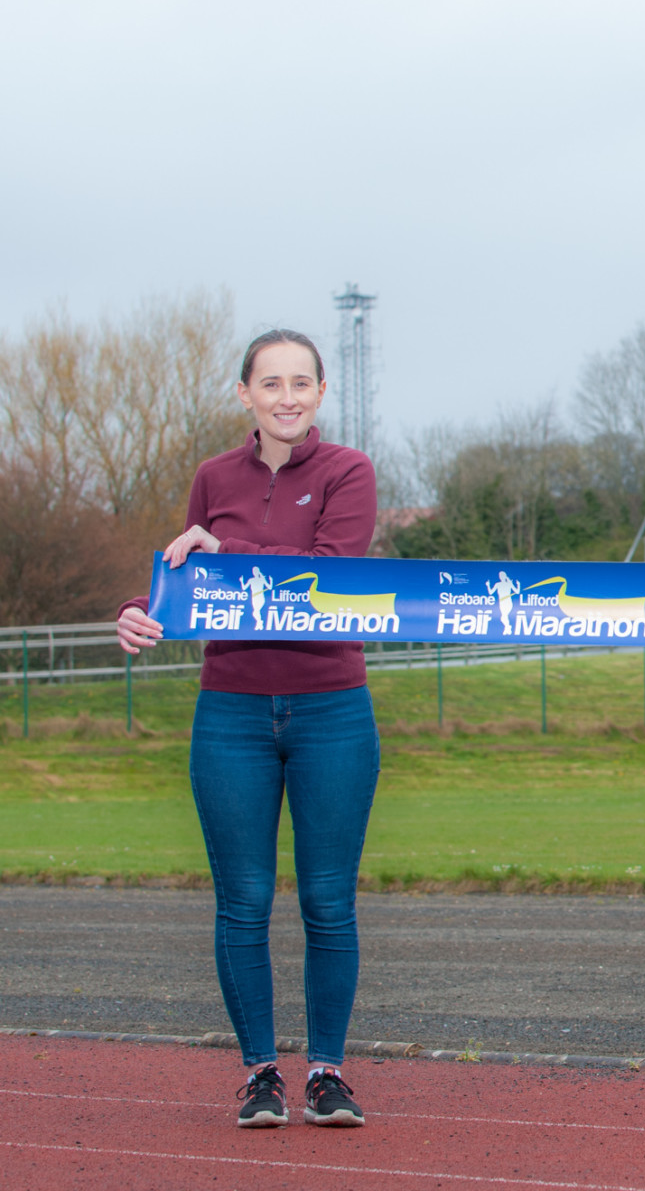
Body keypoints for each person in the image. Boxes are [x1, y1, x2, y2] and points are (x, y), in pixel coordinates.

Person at [117, 330, 380, 1129]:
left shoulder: (349, 472)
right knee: (242, 902)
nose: (287, 396)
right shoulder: (212, 477)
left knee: (329, 901)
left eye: (302, 381)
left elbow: (323, 573)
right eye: (271, 382)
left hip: (331, 708)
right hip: (229, 710)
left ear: (321, 392)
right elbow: (192, 577)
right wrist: (141, 610)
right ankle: (261, 1074)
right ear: (245, 394)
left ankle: (327, 1075)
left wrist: (224, 546)